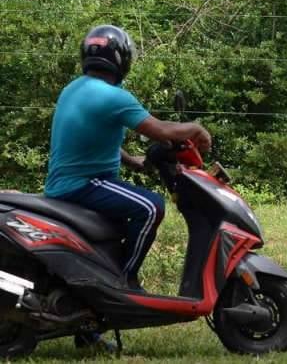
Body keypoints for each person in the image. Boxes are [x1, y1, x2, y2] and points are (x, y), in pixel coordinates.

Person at [44, 25, 212, 294]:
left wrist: (131, 160)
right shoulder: (113, 97)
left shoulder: (74, 89)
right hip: (85, 184)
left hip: (69, 183)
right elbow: (161, 130)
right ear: (122, 59)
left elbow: (91, 136)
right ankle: (123, 282)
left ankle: (94, 305)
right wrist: (196, 128)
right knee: (151, 207)